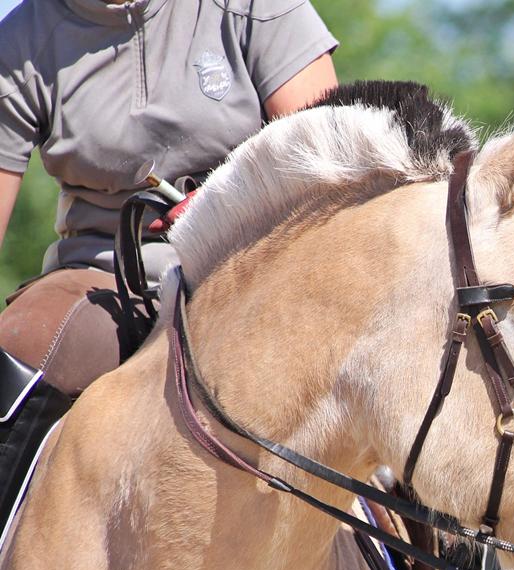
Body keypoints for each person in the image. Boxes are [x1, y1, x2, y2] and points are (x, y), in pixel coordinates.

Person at [0, 0, 339, 395]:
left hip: (256, 264)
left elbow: (331, 172)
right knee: (23, 346)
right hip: (103, 280)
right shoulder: (17, 46)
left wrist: (231, 204)